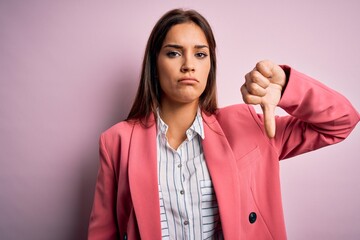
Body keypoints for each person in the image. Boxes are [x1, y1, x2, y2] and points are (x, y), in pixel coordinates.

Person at [88, 8, 359, 240]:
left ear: (210, 66)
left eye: (200, 54)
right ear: (154, 65)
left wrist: (288, 87)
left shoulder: (247, 126)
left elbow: (341, 122)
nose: (188, 65)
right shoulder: (117, 142)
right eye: (173, 53)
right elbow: (103, 233)